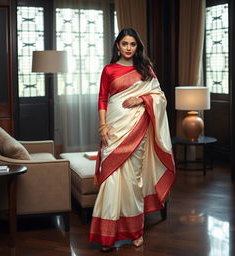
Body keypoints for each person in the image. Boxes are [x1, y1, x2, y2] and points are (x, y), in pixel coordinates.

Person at [89, 28, 175, 251]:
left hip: (137, 131)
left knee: (132, 181)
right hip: (113, 131)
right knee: (110, 180)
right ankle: (107, 237)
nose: (128, 48)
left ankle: (136, 232)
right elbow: (102, 99)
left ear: (138, 47)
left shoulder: (145, 70)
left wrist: (141, 99)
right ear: (117, 45)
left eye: (132, 44)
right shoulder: (108, 70)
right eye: (124, 43)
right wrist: (103, 125)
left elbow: (160, 97)